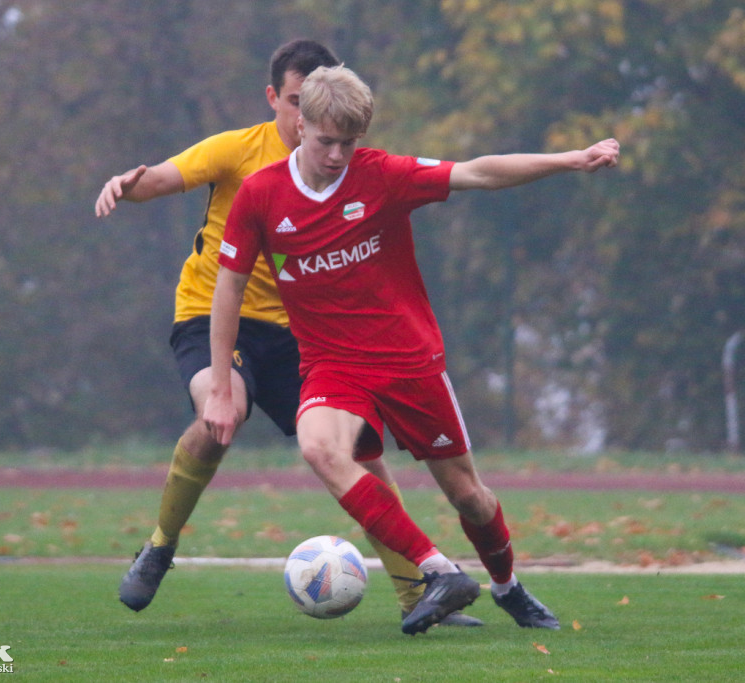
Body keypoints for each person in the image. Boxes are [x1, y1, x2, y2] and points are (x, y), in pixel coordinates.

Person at [204, 65, 620, 635]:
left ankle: (507, 587)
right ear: (299, 124)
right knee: (320, 447)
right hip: (333, 365)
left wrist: (569, 159)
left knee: (469, 497)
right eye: (326, 141)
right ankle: (437, 570)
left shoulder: (382, 176)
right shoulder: (260, 195)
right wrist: (223, 385)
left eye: (349, 144)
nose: (337, 155)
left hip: (408, 361)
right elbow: (227, 286)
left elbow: (477, 172)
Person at [95, 40, 480, 627]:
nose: (305, 118)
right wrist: (129, 183)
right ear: (275, 97)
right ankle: (160, 546)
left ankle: (417, 591)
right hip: (209, 316)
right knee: (219, 416)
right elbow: (169, 176)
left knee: (356, 456)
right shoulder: (238, 151)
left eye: (313, 106)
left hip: (299, 335)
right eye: (294, 103)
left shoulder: (342, 164)